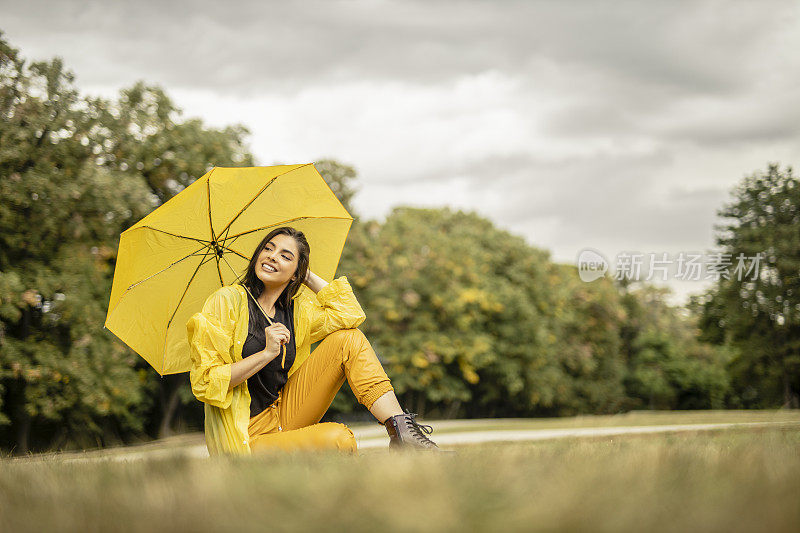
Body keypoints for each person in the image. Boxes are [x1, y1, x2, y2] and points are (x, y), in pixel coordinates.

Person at [187, 226, 442, 456]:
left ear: (296, 272)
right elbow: (206, 383)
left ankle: (403, 434)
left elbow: (350, 315)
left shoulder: (296, 312)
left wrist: (305, 275)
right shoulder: (226, 301)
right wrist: (265, 353)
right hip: (247, 436)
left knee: (348, 339)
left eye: (286, 256)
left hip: (286, 413)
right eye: (268, 248)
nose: (273, 256)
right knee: (340, 440)